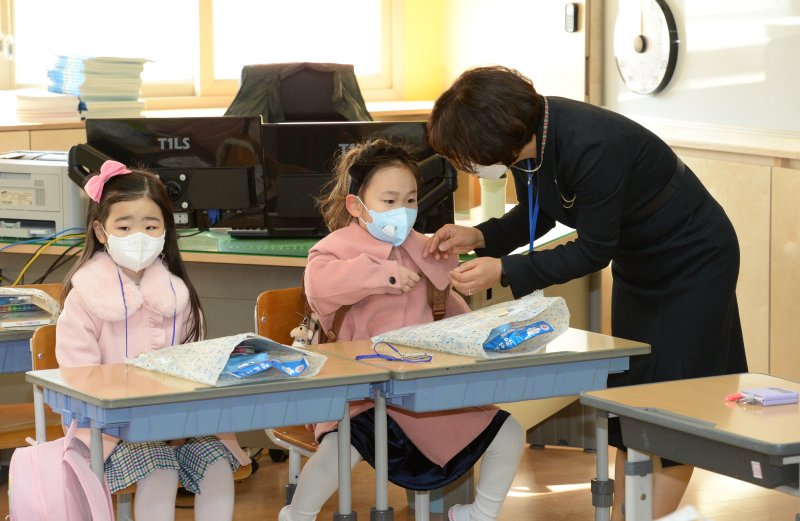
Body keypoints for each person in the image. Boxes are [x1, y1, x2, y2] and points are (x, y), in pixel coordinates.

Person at [425, 66, 748, 519]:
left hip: (693, 259)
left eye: (468, 155)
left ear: (500, 134)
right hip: (639, 261)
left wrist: (503, 271)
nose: (469, 165)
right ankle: (624, 514)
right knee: (632, 395)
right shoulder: (529, 144)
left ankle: (645, 516)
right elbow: (532, 217)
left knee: (679, 401)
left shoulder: (591, 143)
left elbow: (594, 250)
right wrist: (476, 238)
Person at [279, 139, 525, 521]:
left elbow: (457, 321)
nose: (403, 212)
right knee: (340, 449)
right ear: (356, 206)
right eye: (389, 201)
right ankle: (297, 515)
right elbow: (322, 289)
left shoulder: (424, 250)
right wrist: (386, 273)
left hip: (422, 392)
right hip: (358, 394)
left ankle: (479, 514)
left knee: (507, 433)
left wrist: (484, 321)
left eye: (410, 201)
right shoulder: (331, 253)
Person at [56, 160, 251, 521]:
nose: (139, 236)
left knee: (216, 464)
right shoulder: (85, 297)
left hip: (180, 424)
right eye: (124, 226)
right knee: (159, 469)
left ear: (166, 229)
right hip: (108, 431)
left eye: (150, 225)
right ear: (101, 231)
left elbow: (198, 366)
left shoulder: (178, 293)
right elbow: (77, 381)